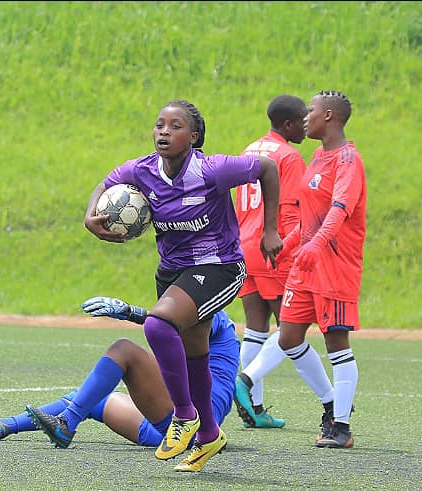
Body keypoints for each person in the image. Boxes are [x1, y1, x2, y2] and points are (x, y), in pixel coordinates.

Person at [83, 100, 282, 470]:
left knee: (159, 324)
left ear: (193, 137)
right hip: (173, 273)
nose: (164, 131)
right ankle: (208, 435)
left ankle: (185, 416)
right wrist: (90, 216)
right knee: (194, 359)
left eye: (175, 126)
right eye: (160, 124)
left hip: (220, 268)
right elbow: (104, 184)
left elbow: (268, 169)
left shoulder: (213, 169)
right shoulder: (142, 170)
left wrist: (270, 229)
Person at [0, 296, 240, 473]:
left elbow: (177, 325)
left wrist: (132, 312)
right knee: (89, 398)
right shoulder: (187, 321)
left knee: (123, 351)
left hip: (195, 426)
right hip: (166, 434)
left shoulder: (212, 316)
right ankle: (3, 426)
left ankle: (66, 425)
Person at [235, 90, 365, 449]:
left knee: (336, 342)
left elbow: (339, 209)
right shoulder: (316, 157)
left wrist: (315, 246)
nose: (306, 116)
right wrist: (288, 245)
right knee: (289, 336)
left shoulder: (348, 159)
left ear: (330, 117)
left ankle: (340, 425)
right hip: (303, 264)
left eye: (312, 110)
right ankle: (246, 382)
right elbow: (306, 218)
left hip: (334, 266)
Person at [233, 94, 308, 429]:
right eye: (303, 120)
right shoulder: (290, 156)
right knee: (292, 328)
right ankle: (246, 382)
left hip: (243, 244)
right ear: (289, 124)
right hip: (272, 246)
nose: (307, 126)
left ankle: (255, 409)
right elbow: (290, 207)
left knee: (256, 328)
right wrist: (285, 242)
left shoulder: (248, 150)